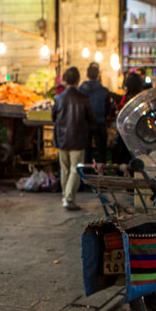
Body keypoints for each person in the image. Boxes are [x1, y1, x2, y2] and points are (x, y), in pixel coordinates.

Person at [52, 66, 94, 210]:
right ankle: (68, 198)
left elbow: (53, 117)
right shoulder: (84, 99)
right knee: (75, 169)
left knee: (64, 169)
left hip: (62, 138)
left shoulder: (58, 98)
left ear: (65, 80)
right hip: (78, 138)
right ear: (78, 80)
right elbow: (91, 118)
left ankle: (66, 196)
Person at [78, 62, 113, 164]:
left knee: (86, 152)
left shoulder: (81, 90)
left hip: (85, 124)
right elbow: (108, 109)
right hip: (100, 124)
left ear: (87, 75)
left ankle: (86, 175)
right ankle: (101, 174)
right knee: (101, 151)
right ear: (98, 75)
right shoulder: (104, 91)